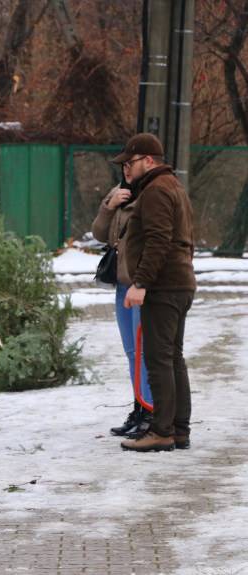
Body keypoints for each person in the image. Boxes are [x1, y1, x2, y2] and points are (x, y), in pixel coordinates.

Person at [111, 133, 196, 453]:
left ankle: (162, 430)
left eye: (129, 163)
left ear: (148, 160)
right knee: (172, 357)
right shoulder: (173, 186)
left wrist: (141, 282)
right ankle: (178, 430)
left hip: (164, 286)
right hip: (178, 282)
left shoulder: (157, 190)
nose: (126, 170)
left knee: (158, 358)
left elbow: (159, 240)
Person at [92, 163, 154, 439]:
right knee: (131, 352)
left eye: (132, 164)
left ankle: (151, 410)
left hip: (140, 284)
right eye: (124, 166)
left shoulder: (152, 195)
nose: (128, 170)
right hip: (121, 284)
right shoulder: (118, 193)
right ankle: (139, 407)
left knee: (144, 352)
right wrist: (109, 205)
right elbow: (98, 233)